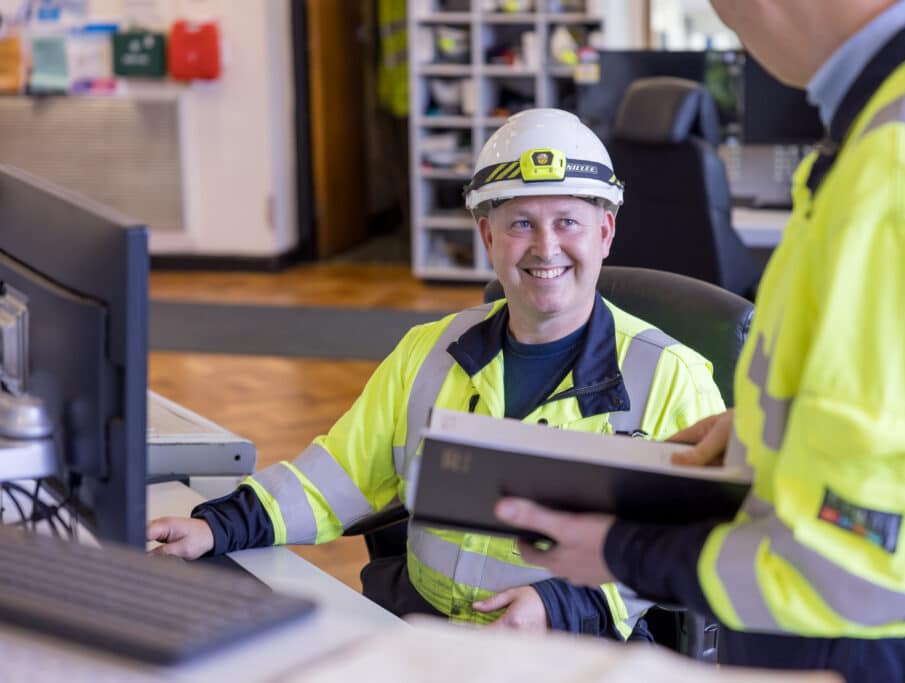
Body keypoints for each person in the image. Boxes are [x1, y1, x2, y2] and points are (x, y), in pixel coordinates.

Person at [493, 0, 905, 680]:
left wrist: (622, 551)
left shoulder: (902, 169)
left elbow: (859, 568)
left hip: (887, 645)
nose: (725, 18)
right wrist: (773, 431)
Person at [147, 108, 725, 642]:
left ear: (604, 233)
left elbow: (697, 546)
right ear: (487, 237)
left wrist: (563, 606)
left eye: (568, 221)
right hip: (426, 636)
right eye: (520, 222)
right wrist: (220, 525)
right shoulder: (430, 351)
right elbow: (341, 473)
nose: (545, 247)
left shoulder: (672, 378)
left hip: (577, 650)